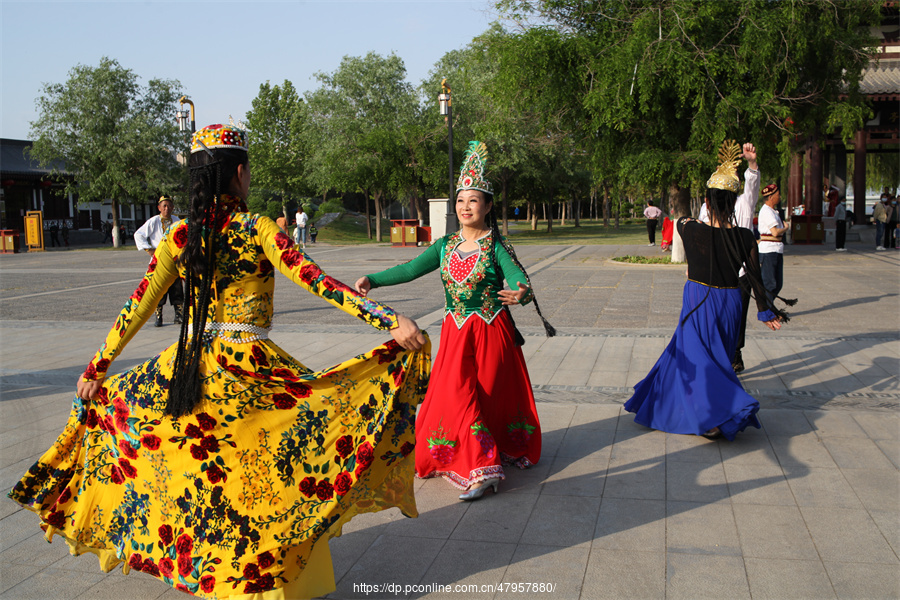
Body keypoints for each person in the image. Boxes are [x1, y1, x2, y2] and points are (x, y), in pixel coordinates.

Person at [8, 124, 430, 599]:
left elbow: (140, 303)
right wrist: (387, 319)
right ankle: (265, 580)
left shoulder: (181, 235)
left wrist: (97, 368)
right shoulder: (258, 228)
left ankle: (211, 576)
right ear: (241, 173)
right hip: (249, 369)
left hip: (188, 368)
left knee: (205, 478)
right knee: (264, 472)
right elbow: (317, 280)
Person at [355, 141, 554, 501]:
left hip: (491, 333)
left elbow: (520, 280)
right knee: (457, 396)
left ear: (488, 206)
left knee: (482, 397)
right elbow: (409, 268)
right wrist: (373, 279)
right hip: (455, 333)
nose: (465, 207)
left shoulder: (496, 246)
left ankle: (483, 464)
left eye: (473, 200)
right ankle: (477, 463)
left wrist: (520, 293)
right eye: (460, 201)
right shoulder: (444, 245)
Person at [624, 140, 788, 441]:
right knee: (709, 358)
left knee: (700, 360)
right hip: (729, 303)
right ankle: (692, 407)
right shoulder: (745, 238)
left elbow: (679, 217)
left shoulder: (690, 229)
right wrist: (765, 312)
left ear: (708, 202)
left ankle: (715, 416)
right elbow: (755, 277)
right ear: (733, 203)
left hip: (699, 300)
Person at [696, 142, 760, 373]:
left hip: (738, 274)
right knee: (710, 319)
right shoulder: (705, 210)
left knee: (736, 317)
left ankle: (734, 353)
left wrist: (751, 162)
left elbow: (752, 186)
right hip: (712, 271)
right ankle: (713, 355)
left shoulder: (742, 204)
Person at [134, 196, 184, 327]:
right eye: (164, 206)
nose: (167, 209)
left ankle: (178, 315)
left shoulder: (176, 220)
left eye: (169, 206)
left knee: (177, 288)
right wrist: (149, 250)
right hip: (159, 260)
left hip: (173, 259)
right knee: (159, 287)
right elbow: (138, 234)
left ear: (173, 207)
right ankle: (158, 316)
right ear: (159, 208)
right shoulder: (154, 221)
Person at [757, 183, 790, 304]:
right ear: (770, 197)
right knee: (770, 284)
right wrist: (786, 228)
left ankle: (769, 308)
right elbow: (775, 232)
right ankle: (768, 311)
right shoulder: (767, 212)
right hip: (768, 251)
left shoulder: (773, 211)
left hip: (776, 250)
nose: (779, 196)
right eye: (777, 194)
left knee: (778, 284)